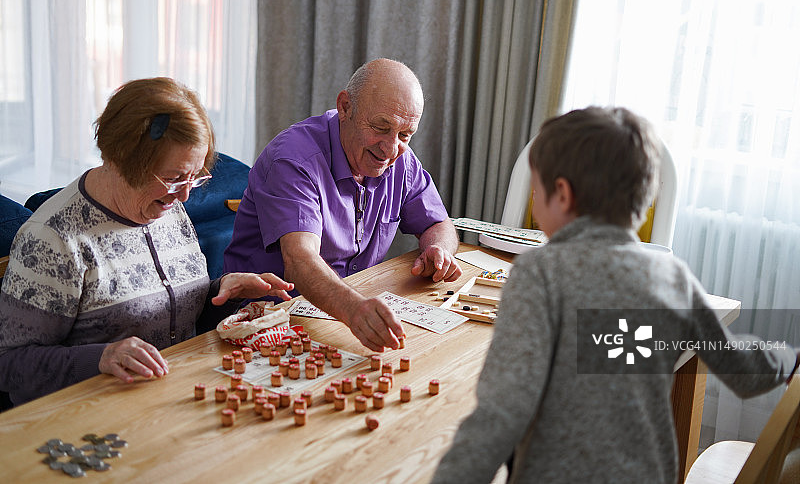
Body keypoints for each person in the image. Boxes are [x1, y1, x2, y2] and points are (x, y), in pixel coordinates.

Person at [430, 107, 798, 484]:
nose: (535, 207)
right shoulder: (672, 277)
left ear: (562, 195)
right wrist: (789, 358)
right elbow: (740, 366)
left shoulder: (539, 274)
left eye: (536, 193)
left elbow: (502, 413)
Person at [0, 77, 294, 407]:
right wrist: (102, 358)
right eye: (173, 178)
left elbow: (176, 321)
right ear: (121, 159)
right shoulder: (53, 239)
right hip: (91, 415)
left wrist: (224, 293)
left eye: (195, 177)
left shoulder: (167, 207)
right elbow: (11, 365)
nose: (185, 195)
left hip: (174, 399)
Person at [224, 58, 461, 352]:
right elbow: (300, 261)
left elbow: (438, 223)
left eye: (404, 135)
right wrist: (354, 310)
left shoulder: (401, 158)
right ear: (345, 107)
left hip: (343, 312)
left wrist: (438, 250)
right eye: (380, 127)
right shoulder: (294, 159)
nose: (390, 149)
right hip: (263, 323)